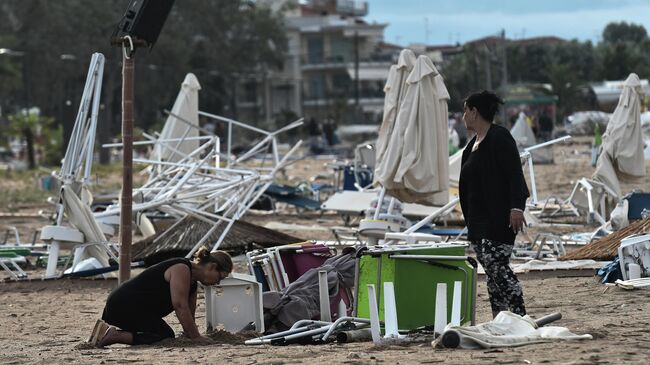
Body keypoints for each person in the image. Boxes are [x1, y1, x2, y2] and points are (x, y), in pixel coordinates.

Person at [459, 90, 529, 318]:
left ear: (474, 112)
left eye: (465, 111)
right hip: (477, 222)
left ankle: (519, 314)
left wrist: (517, 207)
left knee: (496, 265)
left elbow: (515, 175)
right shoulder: (471, 147)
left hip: (500, 218)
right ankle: (500, 317)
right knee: (491, 271)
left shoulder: (500, 137)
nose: (462, 117)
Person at [88, 248, 233, 347]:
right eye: (220, 277)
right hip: (123, 304)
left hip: (136, 309)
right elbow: (180, 305)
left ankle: (105, 331)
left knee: (162, 332)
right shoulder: (182, 268)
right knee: (164, 334)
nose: (218, 282)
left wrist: (191, 334)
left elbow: (189, 314)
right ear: (212, 267)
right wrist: (196, 338)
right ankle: (115, 336)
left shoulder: (193, 284)